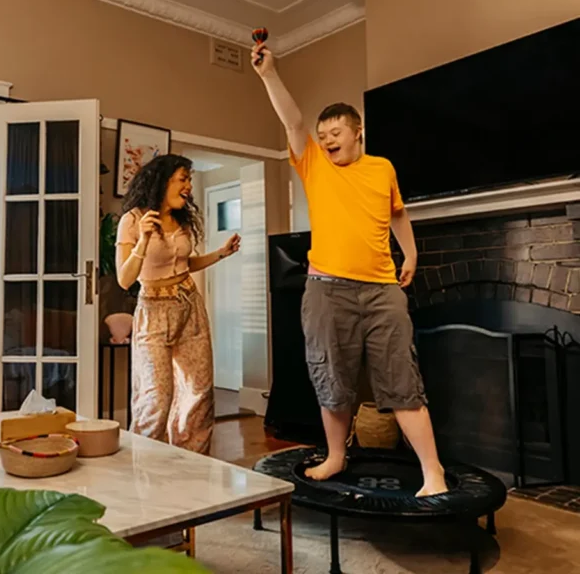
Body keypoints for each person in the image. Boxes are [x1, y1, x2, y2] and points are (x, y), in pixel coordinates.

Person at [251, 42, 448, 496]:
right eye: (324, 135)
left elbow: (397, 214)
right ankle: (336, 457)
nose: (328, 139)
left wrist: (411, 255)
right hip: (326, 290)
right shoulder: (314, 164)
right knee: (332, 378)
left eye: (337, 132)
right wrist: (268, 75)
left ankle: (432, 471)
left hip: (382, 291)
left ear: (358, 133)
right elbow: (293, 121)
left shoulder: (382, 169)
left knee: (402, 380)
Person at [115, 154, 241, 455]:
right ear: (163, 181)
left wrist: (220, 254)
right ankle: (142, 466)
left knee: (198, 392)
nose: (188, 186)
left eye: (189, 180)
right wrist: (143, 241)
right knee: (156, 397)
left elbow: (185, 263)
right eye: (183, 179)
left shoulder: (181, 220)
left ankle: (191, 463)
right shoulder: (132, 220)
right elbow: (124, 278)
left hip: (189, 307)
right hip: (153, 311)